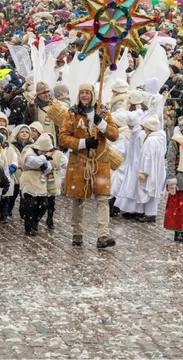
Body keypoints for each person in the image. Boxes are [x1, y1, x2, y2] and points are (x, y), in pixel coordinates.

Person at [59, 83, 119, 249]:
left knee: (103, 198)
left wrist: (102, 125)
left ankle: (103, 235)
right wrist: (83, 142)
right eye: (82, 92)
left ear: (93, 95)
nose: (84, 95)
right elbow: (63, 138)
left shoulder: (103, 112)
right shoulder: (72, 113)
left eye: (87, 93)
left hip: (100, 161)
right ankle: (77, 232)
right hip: (79, 161)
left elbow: (114, 135)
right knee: (78, 198)